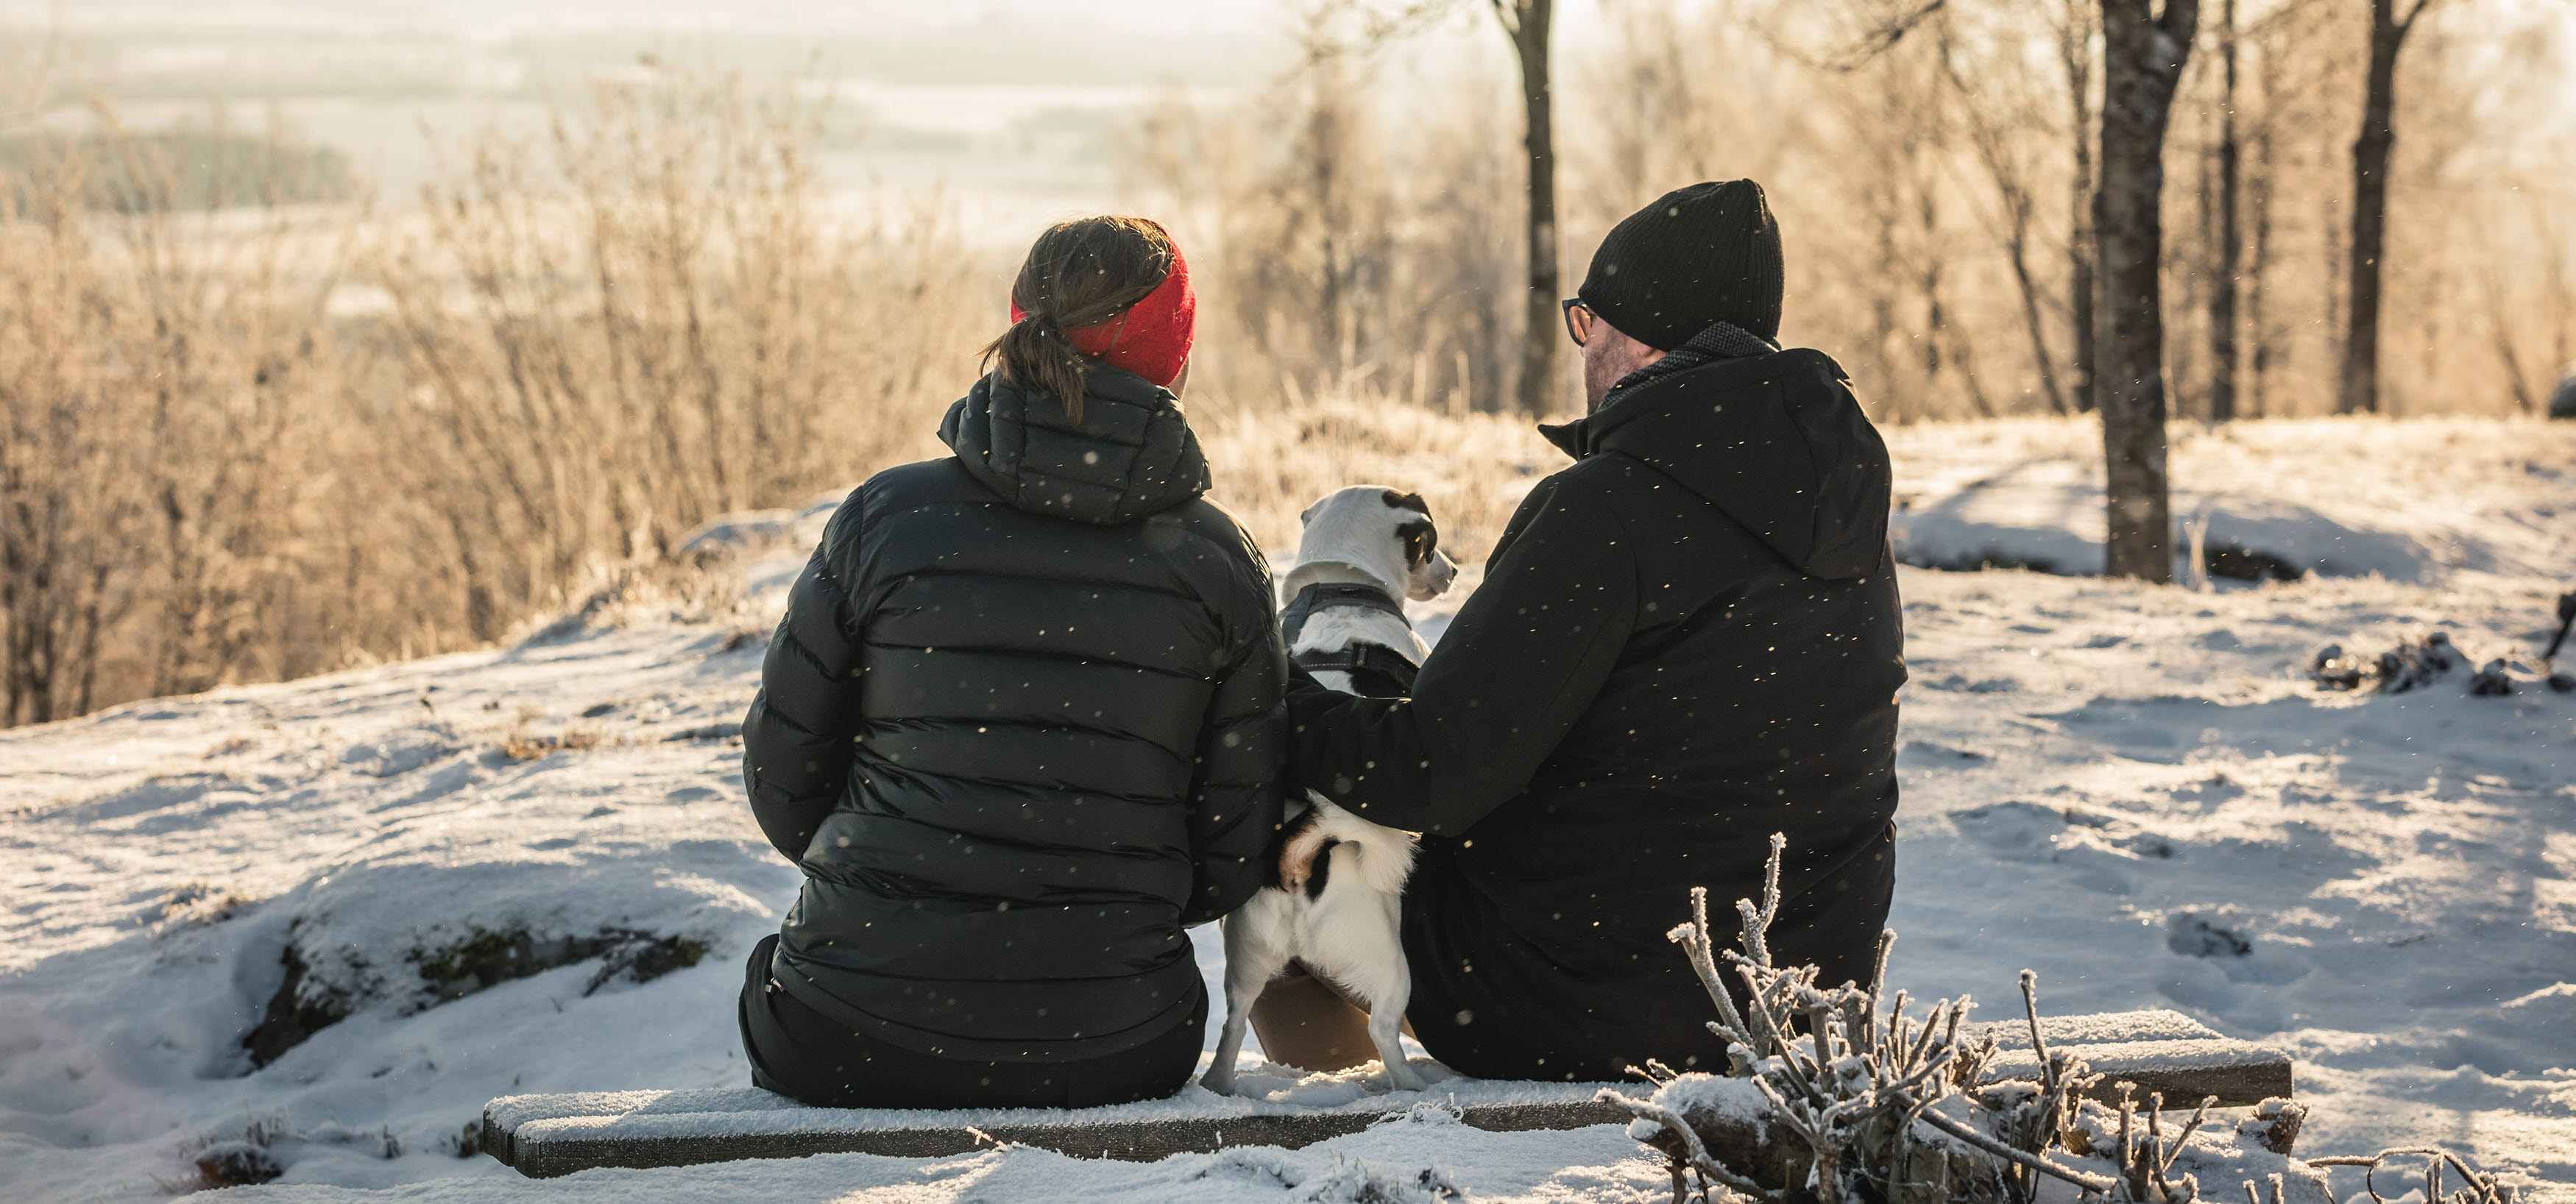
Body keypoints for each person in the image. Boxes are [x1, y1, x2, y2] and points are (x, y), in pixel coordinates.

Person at [1261, 180, 1906, 1083]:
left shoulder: (1604, 511)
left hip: (1583, 1006)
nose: (1582, 345)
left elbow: (1431, 773)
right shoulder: (1843, 511)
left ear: (1637, 333)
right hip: (1796, 1004)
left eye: (1585, 320)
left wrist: (1276, 698)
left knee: (1296, 848)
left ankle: (1334, 1128)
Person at [736, 216, 1284, 1109]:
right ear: (1172, 358)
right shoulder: (1218, 563)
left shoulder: (886, 518)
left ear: (1020, 326)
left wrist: (893, 884)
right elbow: (1231, 849)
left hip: (844, 1030)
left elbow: (783, 776)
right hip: (1117, 1038)